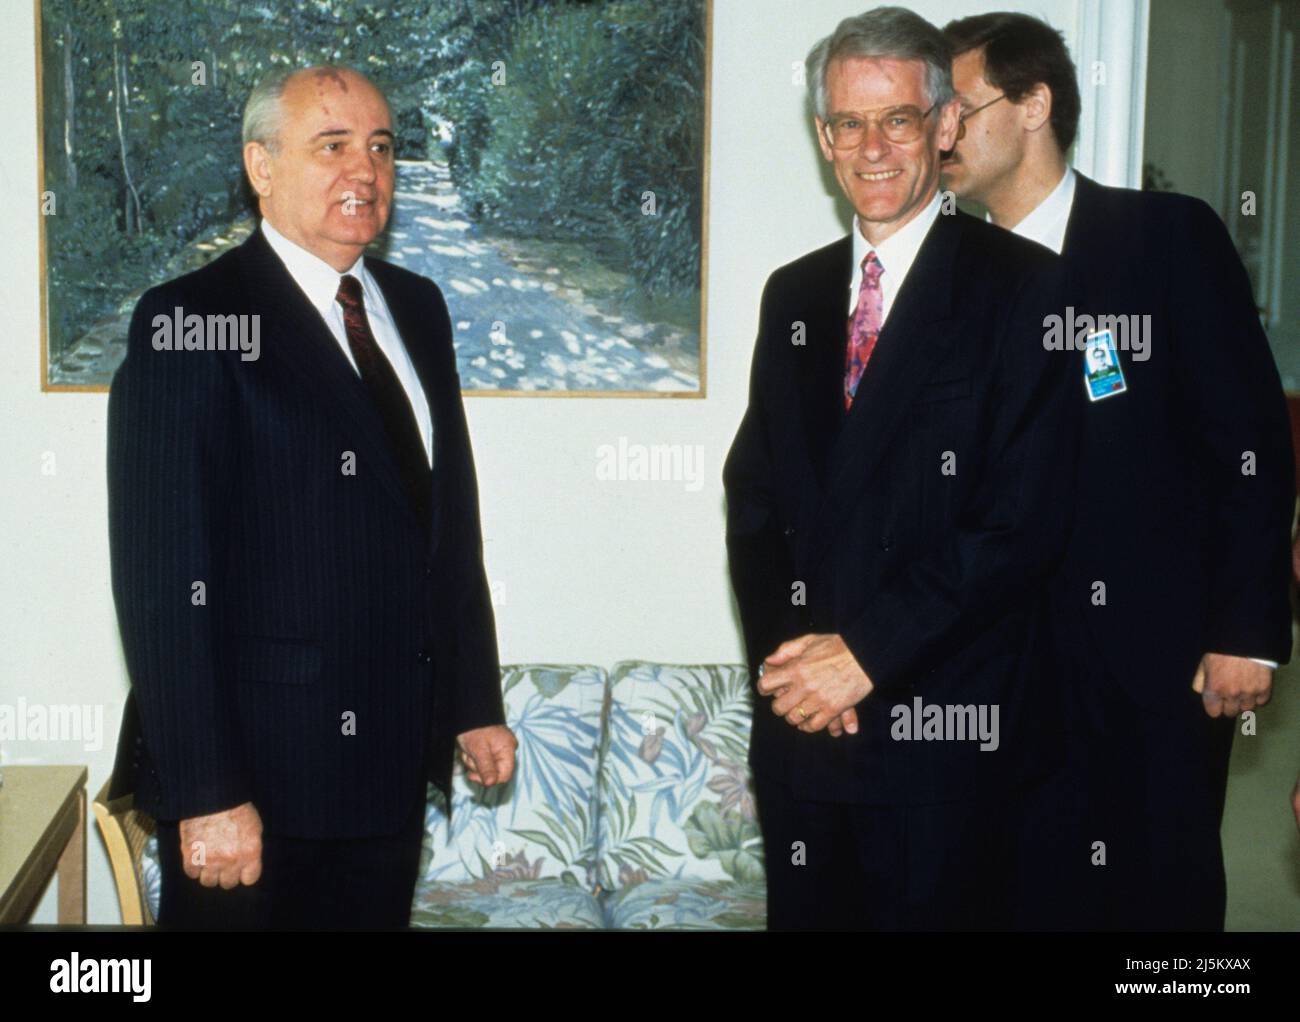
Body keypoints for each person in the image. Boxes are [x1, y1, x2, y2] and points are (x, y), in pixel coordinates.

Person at [106, 64, 517, 929]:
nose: (362, 172)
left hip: (391, 770)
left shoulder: (416, 306)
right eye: (330, 147)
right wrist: (208, 792)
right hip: (255, 784)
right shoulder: (191, 318)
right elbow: (162, 582)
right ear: (261, 166)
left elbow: (449, 522)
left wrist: (474, 701)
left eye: (379, 148)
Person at [723, 6, 1081, 931]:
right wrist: (798, 667)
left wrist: (865, 657)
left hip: (947, 742)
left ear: (947, 125)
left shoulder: (1027, 290)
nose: (873, 147)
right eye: (850, 122)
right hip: (808, 738)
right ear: (822, 136)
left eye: (900, 119)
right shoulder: (793, 292)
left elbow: (1021, 522)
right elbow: (755, 497)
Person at [942, 11, 1293, 930]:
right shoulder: (949, 279)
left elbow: (1249, 444)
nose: (939, 130)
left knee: (1160, 904)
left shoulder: (1164, 239)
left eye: (956, 106)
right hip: (1002, 680)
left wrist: (1248, 630)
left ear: (1033, 104)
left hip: (1157, 667)